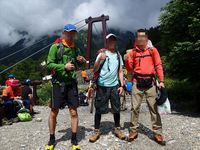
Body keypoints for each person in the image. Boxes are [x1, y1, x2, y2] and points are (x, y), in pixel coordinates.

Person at [45, 24, 86, 150]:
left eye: (73, 33)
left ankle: (74, 139)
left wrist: (82, 61)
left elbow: (80, 67)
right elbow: (49, 64)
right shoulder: (55, 47)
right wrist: (64, 67)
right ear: (64, 33)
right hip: (58, 84)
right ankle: (52, 139)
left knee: (74, 112)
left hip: (71, 84)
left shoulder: (76, 49)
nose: (71, 35)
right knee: (54, 111)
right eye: (69, 32)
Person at [125, 29, 166, 145]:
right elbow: (129, 69)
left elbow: (158, 65)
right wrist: (128, 60)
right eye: (138, 37)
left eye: (143, 37)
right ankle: (133, 131)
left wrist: (161, 81)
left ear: (147, 39)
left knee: (154, 109)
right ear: (136, 39)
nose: (141, 39)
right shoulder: (133, 52)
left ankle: (157, 133)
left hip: (151, 83)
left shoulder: (153, 50)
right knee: (134, 108)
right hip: (137, 82)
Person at [89, 33, 126, 142]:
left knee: (116, 108)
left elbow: (120, 71)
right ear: (107, 42)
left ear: (115, 42)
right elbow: (95, 69)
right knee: (99, 109)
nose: (112, 42)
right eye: (110, 40)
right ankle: (96, 131)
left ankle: (117, 129)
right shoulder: (102, 53)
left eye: (114, 40)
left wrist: (122, 85)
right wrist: (100, 58)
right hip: (102, 86)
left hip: (114, 86)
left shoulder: (118, 55)